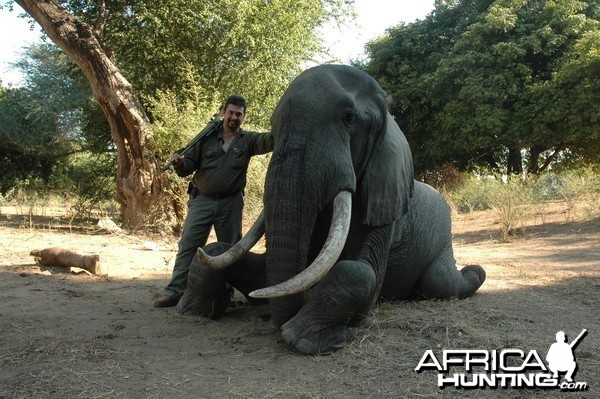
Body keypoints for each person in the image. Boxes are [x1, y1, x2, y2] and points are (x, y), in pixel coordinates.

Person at [154, 95, 273, 308]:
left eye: (239, 114)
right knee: (189, 246)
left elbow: (270, 140)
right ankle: (175, 291)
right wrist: (180, 163)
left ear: (244, 117)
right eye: (231, 112)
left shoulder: (248, 140)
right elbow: (187, 167)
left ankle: (225, 293)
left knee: (231, 250)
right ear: (222, 112)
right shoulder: (205, 138)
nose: (234, 117)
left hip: (231, 204)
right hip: (202, 201)